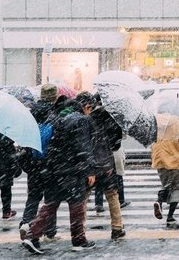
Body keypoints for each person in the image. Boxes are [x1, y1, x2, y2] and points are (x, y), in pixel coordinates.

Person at [21, 99, 97, 254]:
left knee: (50, 205)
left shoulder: (56, 120)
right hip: (72, 170)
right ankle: (79, 240)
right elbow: (83, 146)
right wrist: (90, 169)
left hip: (54, 169)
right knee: (76, 206)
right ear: (82, 108)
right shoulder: (80, 121)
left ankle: (32, 235)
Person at [77, 93, 126, 240]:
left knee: (84, 197)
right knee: (112, 195)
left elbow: (83, 143)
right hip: (106, 161)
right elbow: (116, 141)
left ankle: (80, 230)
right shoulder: (111, 117)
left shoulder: (85, 120)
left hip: (91, 162)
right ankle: (117, 228)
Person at [18, 84, 59, 241]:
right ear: (54, 96)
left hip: (33, 162)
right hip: (49, 163)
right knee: (50, 199)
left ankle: (26, 222)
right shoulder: (54, 113)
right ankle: (50, 231)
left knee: (33, 196)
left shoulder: (31, 113)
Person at [150, 113, 179, 226]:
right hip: (174, 156)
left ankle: (159, 201)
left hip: (159, 157)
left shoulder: (154, 121)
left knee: (166, 184)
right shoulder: (174, 120)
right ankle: (170, 215)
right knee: (176, 187)